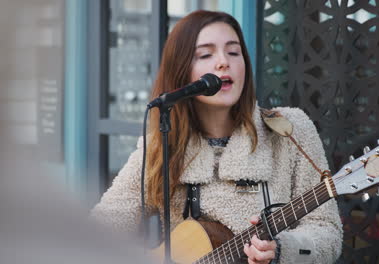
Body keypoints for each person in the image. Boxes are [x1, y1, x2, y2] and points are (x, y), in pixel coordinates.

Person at [91, 10, 343, 264]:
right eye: (206, 54)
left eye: (234, 52)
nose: (223, 62)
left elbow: (327, 232)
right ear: (181, 71)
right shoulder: (162, 145)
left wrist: (281, 250)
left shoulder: (290, 129)